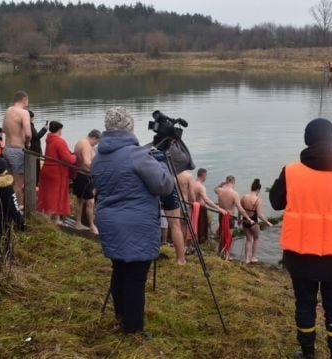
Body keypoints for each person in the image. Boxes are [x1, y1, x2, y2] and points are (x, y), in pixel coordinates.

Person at [269, 118, 332, 359]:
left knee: (304, 307)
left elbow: (275, 202)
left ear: (307, 139)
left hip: (301, 258)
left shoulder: (291, 171)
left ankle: (307, 354)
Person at [91, 106, 174, 334]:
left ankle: (121, 318)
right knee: (136, 277)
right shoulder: (136, 155)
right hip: (136, 223)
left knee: (120, 270)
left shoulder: (99, 156)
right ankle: (134, 329)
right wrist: (162, 161)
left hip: (109, 221)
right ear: (130, 127)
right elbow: (164, 186)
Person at [37, 121, 77, 225]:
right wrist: (75, 157)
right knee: (55, 195)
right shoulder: (59, 141)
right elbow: (68, 159)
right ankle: (50, 220)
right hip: (56, 172)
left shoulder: (49, 140)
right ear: (59, 130)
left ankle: (53, 218)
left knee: (47, 194)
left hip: (46, 169)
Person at [2, 91, 32, 208]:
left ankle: (8, 206)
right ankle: (18, 207)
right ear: (24, 100)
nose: (27, 104)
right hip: (17, 150)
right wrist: (28, 143)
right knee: (19, 183)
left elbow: (4, 129)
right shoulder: (24, 113)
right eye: (27, 102)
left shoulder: (8, 111)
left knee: (10, 181)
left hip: (7, 149)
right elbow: (28, 133)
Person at [72, 129, 101, 233]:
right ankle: (92, 226)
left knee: (80, 201)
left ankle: (78, 223)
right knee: (90, 202)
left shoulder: (80, 141)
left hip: (79, 175)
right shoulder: (86, 145)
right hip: (84, 176)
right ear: (94, 138)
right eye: (96, 142)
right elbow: (86, 162)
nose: (95, 145)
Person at [240, 178, 273, 264]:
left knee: (248, 239)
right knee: (256, 238)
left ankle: (246, 259)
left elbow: (240, 210)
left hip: (245, 221)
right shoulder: (258, 200)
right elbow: (259, 215)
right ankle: (253, 257)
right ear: (258, 189)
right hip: (254, 222)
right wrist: (267, 222)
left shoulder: (243, 197)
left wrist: (239, 219)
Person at [214, 175, 246, 259]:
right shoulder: (235, 194)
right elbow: (240, 208)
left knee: (222, 234)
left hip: (221, 215)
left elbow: (215, 189)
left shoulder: (220, 190)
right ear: (234, 182)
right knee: (229, 236)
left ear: (226, 181)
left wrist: (221, 184)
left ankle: (219, 252)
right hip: (230, 217)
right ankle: (227, 254)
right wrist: (245, 218)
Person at [191, 168, 223, 243]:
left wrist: (214, 203)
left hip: (193, 208)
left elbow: (201, 198)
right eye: (206, 176)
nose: (206, 178)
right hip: (200, 210)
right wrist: (218, 208)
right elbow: (206, 200)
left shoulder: (192, 184)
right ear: (203, 175)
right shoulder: (201, 186)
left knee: (195, 228)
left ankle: (192, 245)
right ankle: (198, 246)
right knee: (201, 229)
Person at [28, 110, 48, 182]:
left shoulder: (28, 125)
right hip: (33, 150)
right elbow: (36, 137)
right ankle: (35, 183)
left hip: (32, 149)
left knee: (35, 167)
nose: (33, 119)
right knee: (35, 168)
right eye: (33, 118)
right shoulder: (29, 126)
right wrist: (44, 129)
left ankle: (36, 182)